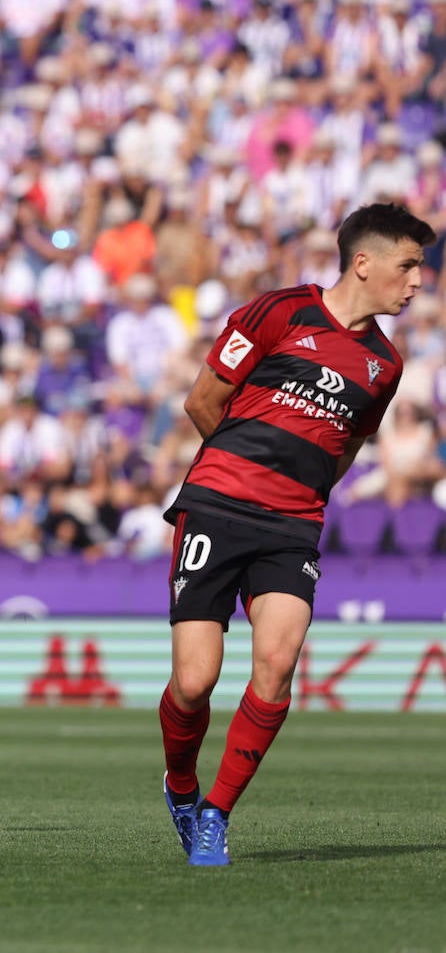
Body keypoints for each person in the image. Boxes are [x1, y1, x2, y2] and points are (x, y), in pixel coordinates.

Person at [158, 202, 436, 866]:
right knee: (195, 682)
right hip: (218, 507)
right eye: (409, 266)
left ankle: (216, 816)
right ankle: (181, 784)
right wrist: (247, 470)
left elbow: (343, 449)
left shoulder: (384, 365)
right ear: (363, 263)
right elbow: (203, 400)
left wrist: (295, 491)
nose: (418, 282)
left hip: (292, 525)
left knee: (278, 665)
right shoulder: (278, 312)